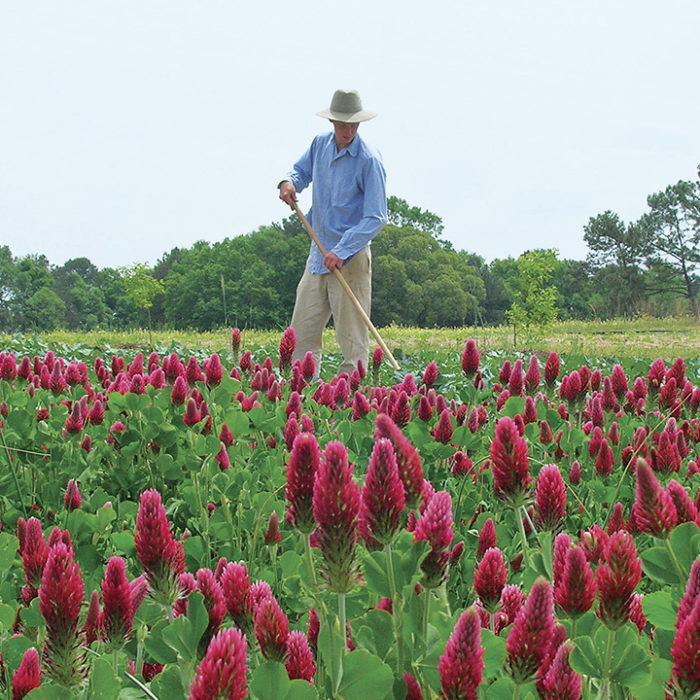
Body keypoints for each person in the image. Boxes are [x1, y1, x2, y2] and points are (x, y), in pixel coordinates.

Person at [278, 89, 387, 376]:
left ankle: (353, 404)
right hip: (318, 253)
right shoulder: (319, 145)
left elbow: (376, 216)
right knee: (300, 335)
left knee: (352, 341)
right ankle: (299, 397)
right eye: (343, 123)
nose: (349, 130)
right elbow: (300, 172)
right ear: (332, 121)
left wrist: (342, 250)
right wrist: (288, 183)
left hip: (349, 259)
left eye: (354, 124)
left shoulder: (369, 160)